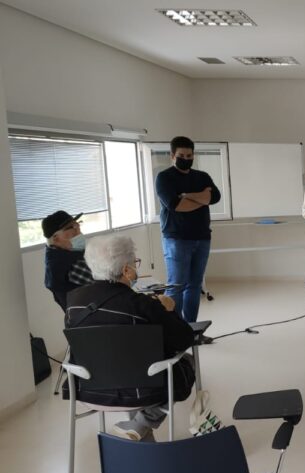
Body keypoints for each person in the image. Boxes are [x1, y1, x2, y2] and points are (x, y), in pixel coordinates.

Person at [65, 235, 196, 441]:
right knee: (186, 361)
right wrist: (169, 310)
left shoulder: (74, 301)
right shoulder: (142, 304)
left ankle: (139, 434)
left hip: (89, 390)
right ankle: (142, 422)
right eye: (135, 263)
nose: (136, 268)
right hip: (141, 392)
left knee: (125, 366)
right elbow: (185, 339)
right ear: (126, 270)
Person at [155, 136, 221, 324]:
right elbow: (176, 205)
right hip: (177, 239)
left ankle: (191, 328)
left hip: (202, 237)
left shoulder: (202, 176)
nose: (186, 158)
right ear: (172, 155)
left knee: (194, 286)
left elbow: (214, 197)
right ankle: (174, 329)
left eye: (189, 155)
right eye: (181, 155)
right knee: (176, 286)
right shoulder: (164, 178)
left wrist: (186, 195)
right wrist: (202, 199)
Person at [42, 210, 94, 310]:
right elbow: (108, 285)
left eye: (77, 225)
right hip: (93, 314)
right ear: (56, 239)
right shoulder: (70, 264)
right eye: (72, 228)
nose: (79, 233)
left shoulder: (53, 253)